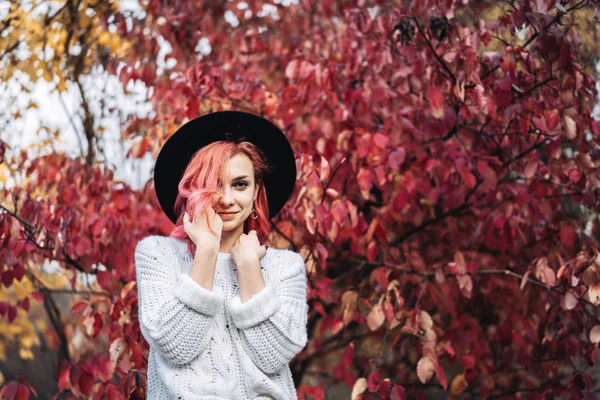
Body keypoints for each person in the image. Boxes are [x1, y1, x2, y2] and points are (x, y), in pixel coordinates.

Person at [134, 111, 308, 400]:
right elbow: (176, 347)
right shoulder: (157, 255)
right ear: (194, 189)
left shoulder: (285, 267)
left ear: (255, 193)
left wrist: (250, 268)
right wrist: (207, 251)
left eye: (240, 184)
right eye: (214, 184)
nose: (226, 199)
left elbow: (274, 356)